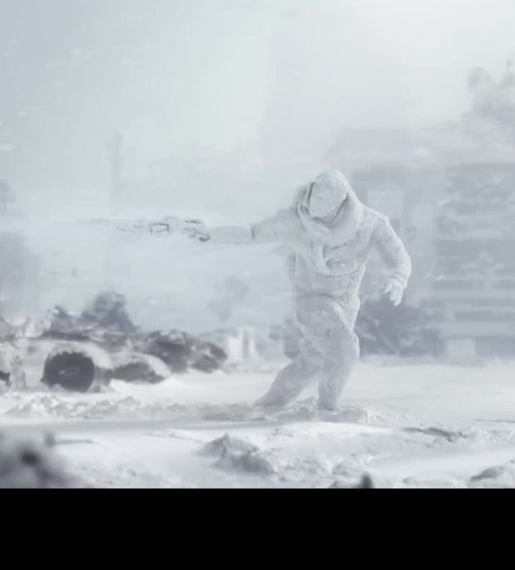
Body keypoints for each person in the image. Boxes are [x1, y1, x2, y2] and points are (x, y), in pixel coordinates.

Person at [171, 170, 412, 411]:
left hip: (347, 303)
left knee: (314, 360)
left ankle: (273, 401)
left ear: (338, 201)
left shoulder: (371, 224)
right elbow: (252, 233)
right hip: (312, 300)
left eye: (322, 198)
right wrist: (208, 234)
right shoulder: (297, 221)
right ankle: (328, 409)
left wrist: (398, 278)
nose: (313, 202)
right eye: (313, 194)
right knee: (345, 346)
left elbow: (398, 255)